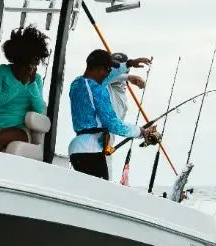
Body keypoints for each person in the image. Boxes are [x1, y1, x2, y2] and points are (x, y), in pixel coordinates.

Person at [67, 49, 161, 180]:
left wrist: (128, 64)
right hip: (91, 151)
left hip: (76, 150)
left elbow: (107, 78)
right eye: (107, 70)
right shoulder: (97, 90)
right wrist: (141, 132)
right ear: (99, 69)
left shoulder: (77, 83)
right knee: (100, 191)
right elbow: (113, 124)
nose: (109, 74)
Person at [0, 25, 50, 152]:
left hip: (19, 129)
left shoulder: (36, 79)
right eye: (34, 59)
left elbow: (39, 109)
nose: (36, 63)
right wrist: (19, 83)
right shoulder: (1, 71)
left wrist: (31, 83)